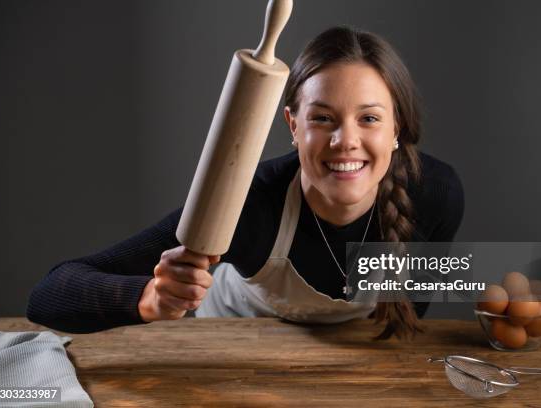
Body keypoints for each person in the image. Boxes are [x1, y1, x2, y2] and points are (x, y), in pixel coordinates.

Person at [27, 26, 464, 340]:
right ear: (293, 126)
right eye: (322, 118)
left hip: (346, 367)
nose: (345, 140)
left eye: (368, 118)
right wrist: (147, 298)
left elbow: (407, 323)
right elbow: (48, 295)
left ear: (397, 129)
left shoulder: (436, 194)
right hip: (225, 350)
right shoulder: (247, 201)